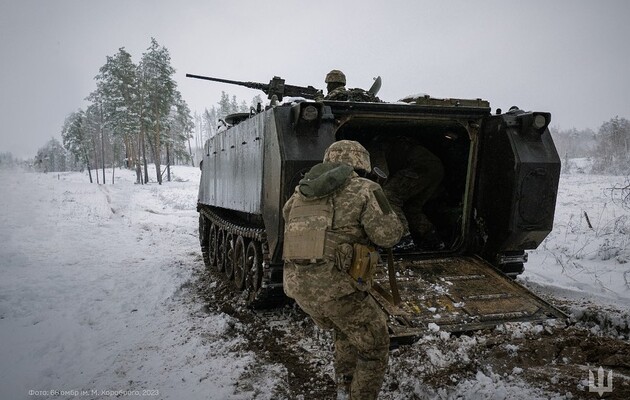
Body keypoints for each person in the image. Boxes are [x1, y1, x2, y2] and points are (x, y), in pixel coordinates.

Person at [282, 140, 403, 400]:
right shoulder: (366, 189)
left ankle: (344, 388)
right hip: (338, 292)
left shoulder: (300, 192)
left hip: (300, 289)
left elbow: (286, 216)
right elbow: (388, 235)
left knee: (347, 330)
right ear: (361, 163)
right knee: (375, 347)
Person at [368, 135, 445, 250]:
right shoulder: (390, 145)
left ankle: (403, 239)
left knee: (388, 197)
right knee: (411, 208)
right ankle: (432, 239)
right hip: (435, 167)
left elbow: (382, 174)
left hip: (420, 167)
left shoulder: (375, 148)